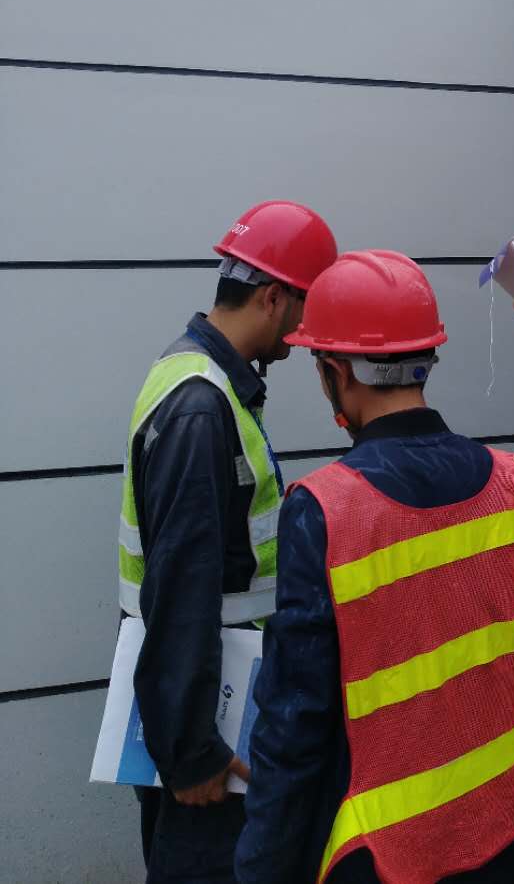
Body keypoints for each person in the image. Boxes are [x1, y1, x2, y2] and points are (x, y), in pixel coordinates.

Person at [235, 249, 514, 884]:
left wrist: (260, 865)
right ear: (426, 358)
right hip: (508, 823)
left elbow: (295, 724)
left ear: (334, 372)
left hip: (390, 855)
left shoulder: (326, 509)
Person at [118, 198, 338, 883]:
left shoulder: (198, 379)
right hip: (208, 727)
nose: (306, 331)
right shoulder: (200, 408)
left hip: (213, 702)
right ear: (273, 297)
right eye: (305, 307)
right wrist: (193, 754)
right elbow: (182, 589)